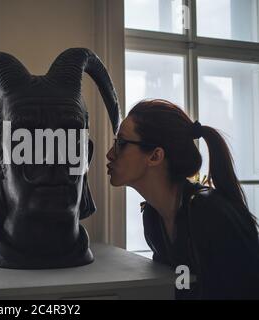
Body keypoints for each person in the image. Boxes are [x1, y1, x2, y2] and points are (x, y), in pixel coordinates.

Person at [106, 99, 259, 299]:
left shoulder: (211, 214)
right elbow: (181, 289)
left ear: (155, 156)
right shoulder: (153, 217)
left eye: (122, 143)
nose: (110, 154)